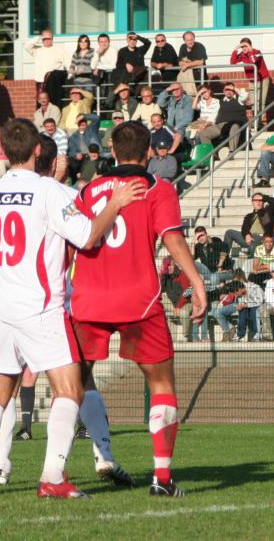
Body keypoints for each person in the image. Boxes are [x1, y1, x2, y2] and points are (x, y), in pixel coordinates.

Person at [0, 118, 144, 498]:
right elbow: (88, 237)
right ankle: (53, 478)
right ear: (37, 149)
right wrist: (114, 203)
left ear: (4, 151)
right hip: (40, 306)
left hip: (1, 306)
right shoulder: (50, 190)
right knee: (70, 390)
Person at [71, 120, 204, 496]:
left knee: (74, 382)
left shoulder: (89, 190)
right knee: (161, 384)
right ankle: (162, 478)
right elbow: (172, 237)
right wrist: (196, 282)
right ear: (148, 152)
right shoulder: (158, 188)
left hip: (88, 298)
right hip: (139, 300)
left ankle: (73, 465)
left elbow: (73, 239)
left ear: (112, 151)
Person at [24, 30, 67, 106]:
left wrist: (69, 77)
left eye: (49, 38)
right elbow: (26, 46)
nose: (46, 40)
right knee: (41, 106)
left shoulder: (59, 50)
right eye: (44, 39)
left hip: (54, 83)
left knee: (54, 105)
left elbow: (68, 64)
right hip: (41, 82)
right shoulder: (37, 50)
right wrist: (38, 37)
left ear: (52, 39)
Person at [231, 38, 271, 114]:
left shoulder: (257, 52)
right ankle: (255, 119)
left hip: (262, 80)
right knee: (253, 102)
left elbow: (253, 61)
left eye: (245, 46)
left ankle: (259, 120)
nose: (244, 48)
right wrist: (236, 49)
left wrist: (250, 51)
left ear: (250, 46)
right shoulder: (242, 54)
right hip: (252, 81)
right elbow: (233, 62)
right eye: (242, 47)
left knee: (260, 102)